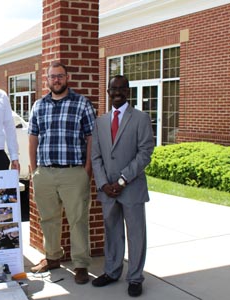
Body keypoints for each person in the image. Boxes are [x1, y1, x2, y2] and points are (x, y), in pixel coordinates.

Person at [28, 61, 96, 284]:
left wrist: (87, 168)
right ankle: (53, 257)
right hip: (45, 173)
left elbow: (90, 138)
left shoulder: (81, 103)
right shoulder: (38, 105)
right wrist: (34, 169)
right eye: (52, 77)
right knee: (48, 218)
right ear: (46, 80)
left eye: (60, 76)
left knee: (78, 219)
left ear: (67, 78)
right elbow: (33, 138)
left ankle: (81, 264)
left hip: (73, 172)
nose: (56, 80)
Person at [91, 75, 155, 297]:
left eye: (121, 88)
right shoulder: (100, 122)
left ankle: (135, 277)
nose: (117, 92)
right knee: (112, 232)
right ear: (108, 92)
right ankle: (112, 271)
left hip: (131, 187)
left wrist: (122, 180)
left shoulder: (140, 118)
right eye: (113, 89)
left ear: (128, 91)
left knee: (136, 234)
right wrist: (103, 184)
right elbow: (96, 156)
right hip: (108, 190)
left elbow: (145, 152)